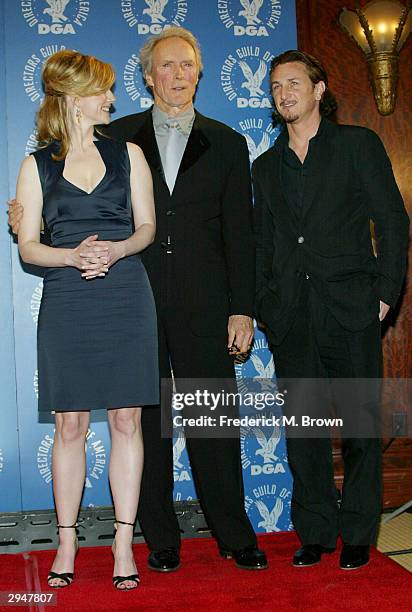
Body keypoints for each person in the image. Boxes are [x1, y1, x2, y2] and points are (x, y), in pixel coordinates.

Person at [9, 28, 267, 571]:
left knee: (212, 416)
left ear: (200, 72)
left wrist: (241, 306)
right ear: (148, 77)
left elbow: (241, 234)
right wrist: (23, 218)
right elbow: (51, 202)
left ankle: (234, 533)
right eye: (168, 66)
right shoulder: (117, 134)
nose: (180, 74)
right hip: (131, 290)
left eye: (189, 65)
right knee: (139, 421)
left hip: (200, 299)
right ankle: (159, 538)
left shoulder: (227, 142)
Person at [253, 50, 409, 570]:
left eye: (294, 83)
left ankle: (360, 533)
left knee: (361, 429)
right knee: (305, 432)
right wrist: (266, 307)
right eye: (276, 87)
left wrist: (385, 292)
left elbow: (392, 221)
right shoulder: (265, 167)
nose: (284, 93)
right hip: (292, 316)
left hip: (351, 309)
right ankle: (316, 533)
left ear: (320, 90)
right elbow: (264, 243)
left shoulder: (357, 146)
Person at [16, 50, 158, 590]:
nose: (112, 100)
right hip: (67, 298)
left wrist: (116, 250)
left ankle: (124, 543)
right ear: (75, 100)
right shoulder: (37, 165)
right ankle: (68, 542)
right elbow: (29, 248)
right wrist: (73, 256)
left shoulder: (130, 155)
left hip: (124, 293)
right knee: (69, 426)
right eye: (103, 91)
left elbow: (145, 228)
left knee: (127, 420)